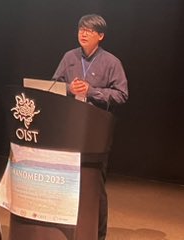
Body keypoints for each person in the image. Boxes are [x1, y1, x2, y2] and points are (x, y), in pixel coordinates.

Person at [52, 13, 128, 240]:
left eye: (89, 30)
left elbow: (122, 94)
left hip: (96, 128)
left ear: (100, 36)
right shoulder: (69, 57)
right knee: (67, 179)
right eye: (80, 29)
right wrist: (70, 89)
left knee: (94, 182)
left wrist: (91, 91)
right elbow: (54, 85)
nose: (83, 34)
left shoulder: (111, 62)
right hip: (70, 126)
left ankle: (97, 235)